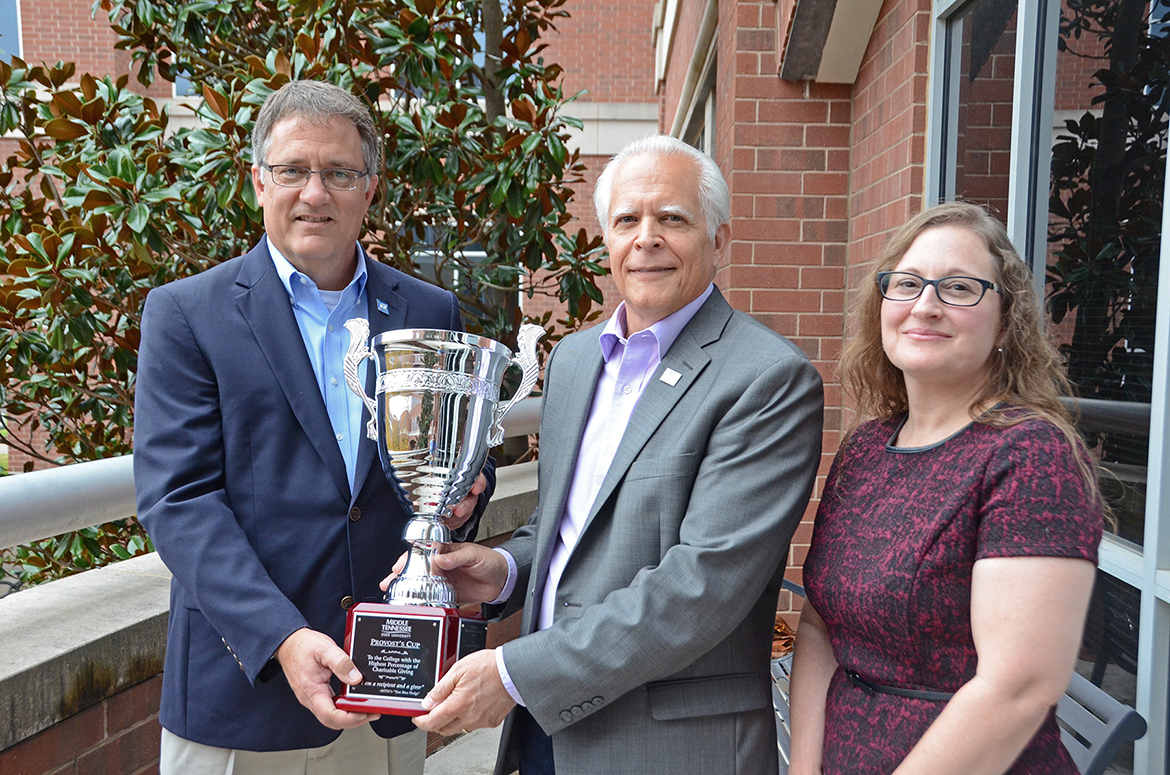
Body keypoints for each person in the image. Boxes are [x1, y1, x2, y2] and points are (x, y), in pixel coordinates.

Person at [388, 134, 824, 775]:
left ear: (719, 241)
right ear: (607, 240)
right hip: (545, 733)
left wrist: (512, 674)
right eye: (627, 220)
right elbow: (564, 529)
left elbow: (703, 584)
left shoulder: (767, 379)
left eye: (672, 219)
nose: (646, 237)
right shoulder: (574, 360)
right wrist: (505, 570)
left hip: (668, 747)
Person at [133, 80, 494, 775]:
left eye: (339, 172)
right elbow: (178, 500)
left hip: (387, 686)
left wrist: (466, 493)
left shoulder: (429, 309)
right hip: (245, 693)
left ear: (370, 187)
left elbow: (454, 460)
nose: (315, 193)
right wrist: (281, 638)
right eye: (294, 170)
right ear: (258, 181)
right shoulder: (186, 314)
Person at [788, 202, 1105, 775]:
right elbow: (818, 624)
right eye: (907, 284)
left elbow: (1020, 688)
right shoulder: (866, 449)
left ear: (1006, 322)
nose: (925, 306)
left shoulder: (1030, 455)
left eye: (959, 288)